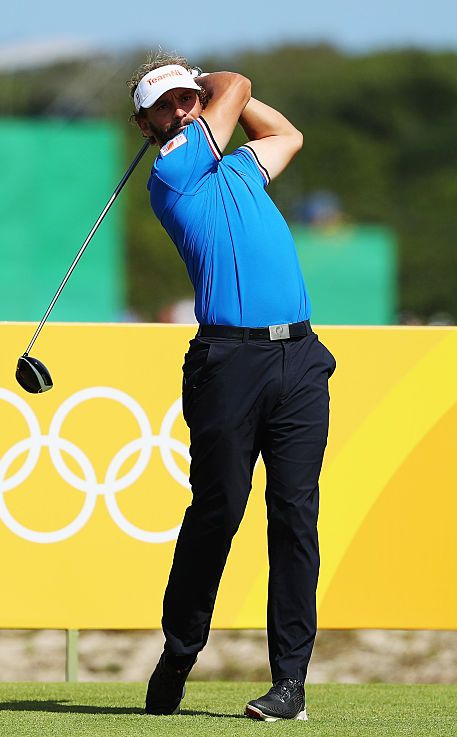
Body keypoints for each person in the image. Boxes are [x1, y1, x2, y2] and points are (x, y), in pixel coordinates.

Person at [128, 56, 336, 721]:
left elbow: (286, 136)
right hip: (228, 364)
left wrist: (208, 90)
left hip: (299, 356)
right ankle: (180, 650)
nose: (183, 110)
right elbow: (240, 87)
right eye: (167, 106)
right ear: (147, 124)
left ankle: (291, 685)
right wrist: (215, 79)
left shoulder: (240, 168)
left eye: (189, 99)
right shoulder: (173, 168)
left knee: (295, 516)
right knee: (219, 511)